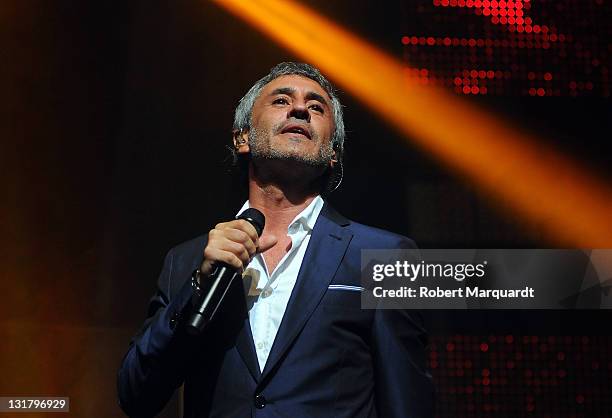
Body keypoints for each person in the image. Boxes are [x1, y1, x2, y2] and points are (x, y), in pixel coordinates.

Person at [117, 62, 434, 418]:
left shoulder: (385, 256)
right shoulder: (187, 261)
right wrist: (197, 286)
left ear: (332, 153)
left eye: (316, 107)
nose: (300, 108)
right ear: (243, 138)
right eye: (281, 100)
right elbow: (136, 394)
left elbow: (408, 400)